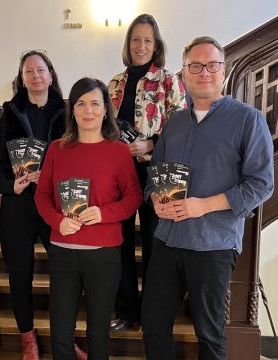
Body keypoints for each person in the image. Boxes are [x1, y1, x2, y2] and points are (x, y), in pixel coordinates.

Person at [141, 36, 275, 360]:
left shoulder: (248, 120)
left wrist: (204, 204)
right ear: (184, 74)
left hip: (213, 244)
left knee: (210, 334)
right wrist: (154, 199)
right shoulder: (173, 124)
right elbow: (154, 174)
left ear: (223, 71)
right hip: (167, 240)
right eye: (195, 66)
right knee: (154, 325)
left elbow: (262, 184)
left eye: (211, 65)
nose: (204, 72)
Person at [34, 77, 143, 360]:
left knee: (97, 332)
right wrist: (57, 221)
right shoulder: (57, 149)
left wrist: (104, 213)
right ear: (72, 110)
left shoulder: (118, 150)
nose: (88, 110)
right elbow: (41, 196)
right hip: (63, 252)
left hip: (103, 255)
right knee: (60, 332)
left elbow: (133, 197)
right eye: (81, 103)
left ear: (106, 109)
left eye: (95, 103)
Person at [106, 13, 186, 332]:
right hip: (120, 177)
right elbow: (103, 128)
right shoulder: (114, 83)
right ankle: (127, 312)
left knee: (157, 248)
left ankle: (152, 314)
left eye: (147, 40)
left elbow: (181, 127)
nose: (141, 46)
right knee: (121, 244)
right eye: (136, 39)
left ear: (156, 46)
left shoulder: (169, 81)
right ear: (128, 44)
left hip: (158, 175)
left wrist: (150, 144)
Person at [0, 50, 65, 360]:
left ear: (50, 74)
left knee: (65, 275)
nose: (35, 76)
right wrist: (11, 186)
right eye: (28, 71)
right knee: (20, 276)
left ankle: (64, 340)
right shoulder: (8, 113)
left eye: (41, 70)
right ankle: (28, 341)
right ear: (21, 78)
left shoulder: (68, 111)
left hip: (55, 204)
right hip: (18, 205)